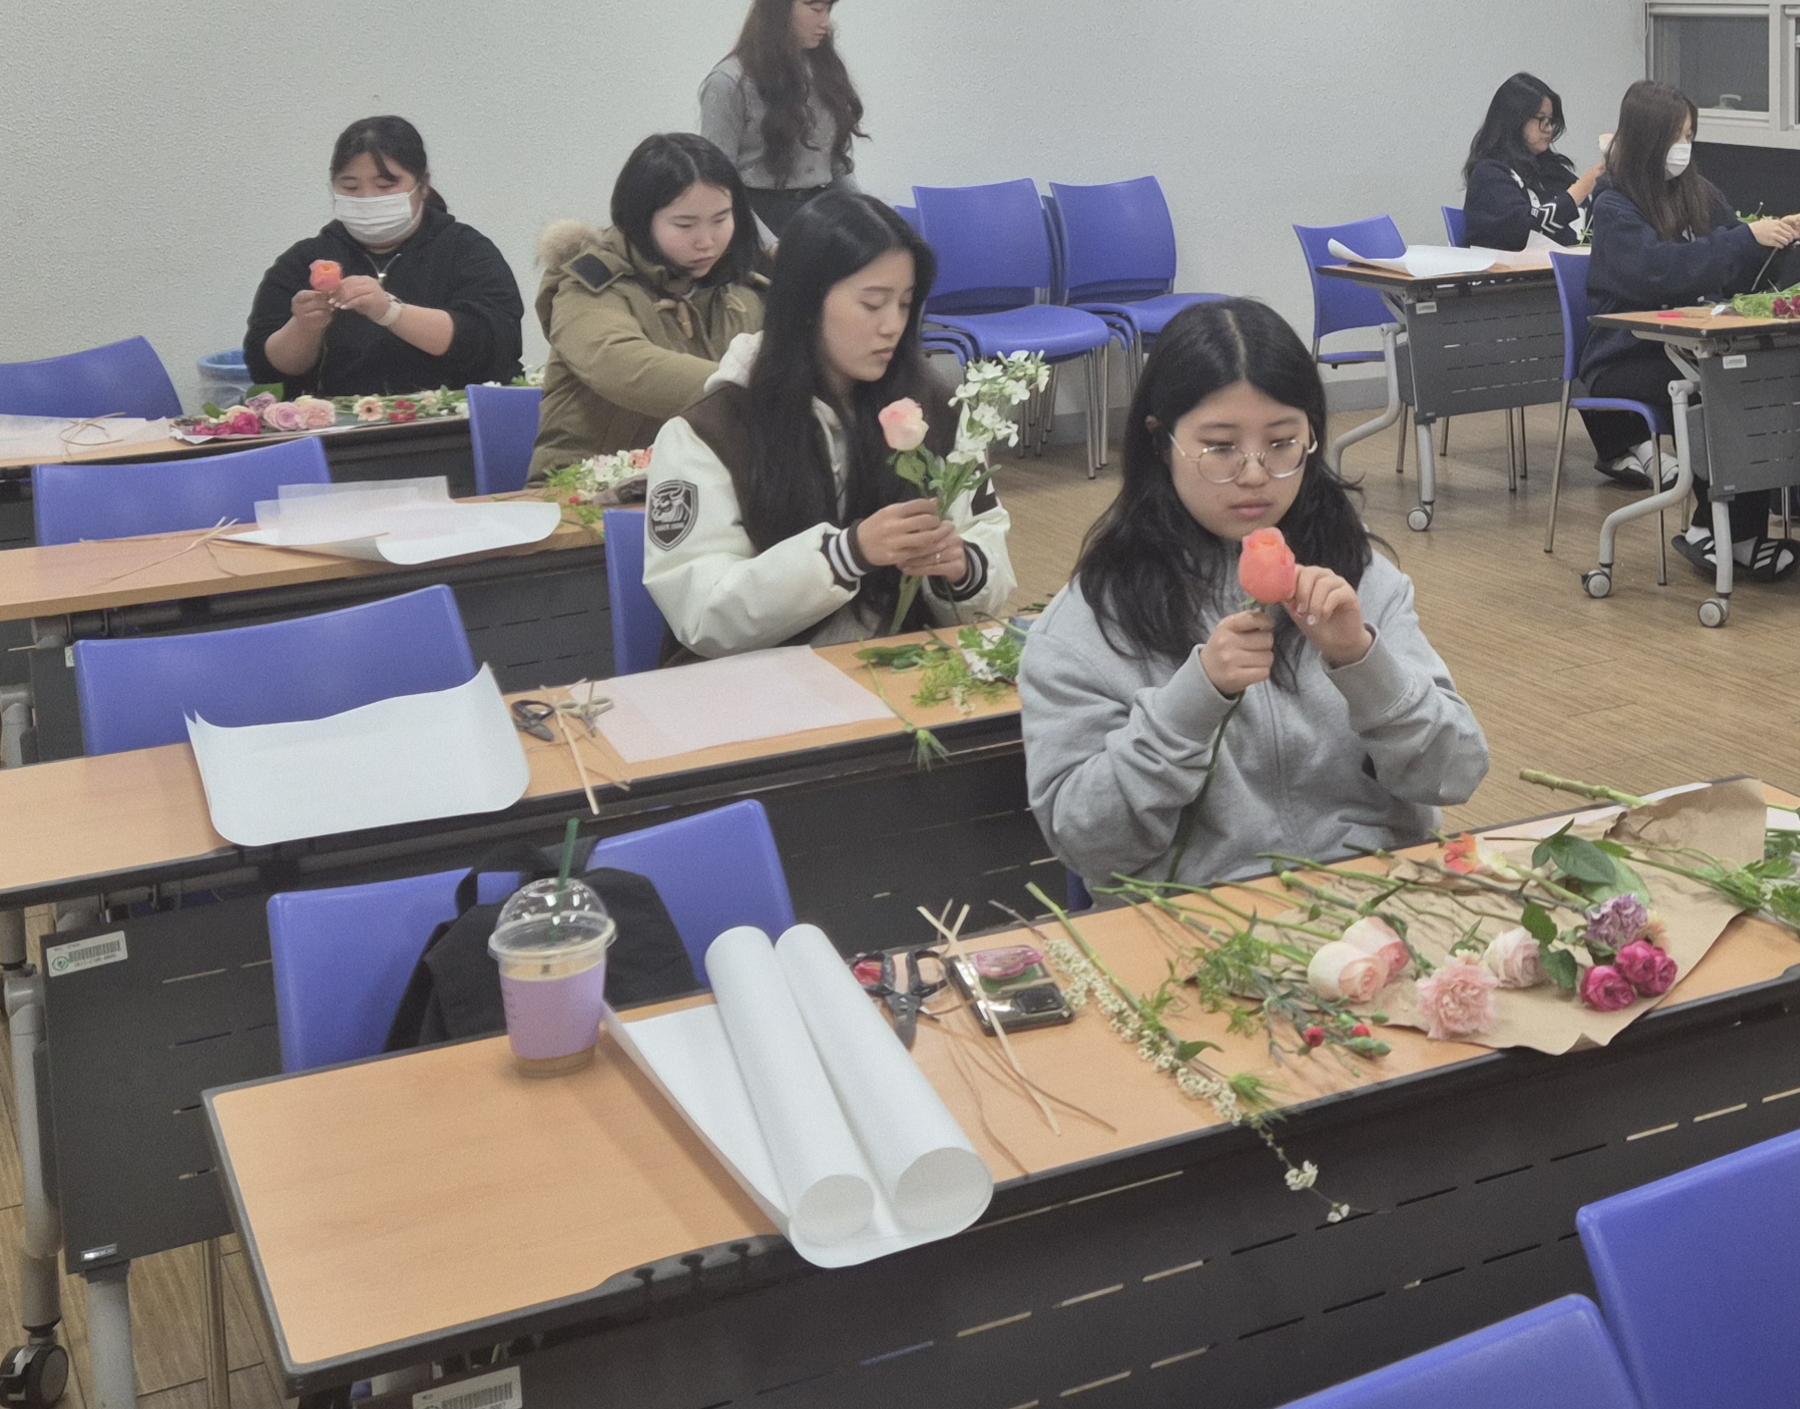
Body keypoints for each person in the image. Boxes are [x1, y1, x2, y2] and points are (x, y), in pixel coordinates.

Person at [1019, 299, 1487, 889]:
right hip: (1199, 915)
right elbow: (1085, 843)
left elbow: (1455, 775)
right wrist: (1193, 700)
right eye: (1220, 448)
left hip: (1376, 895)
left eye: (1282, 443)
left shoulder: (1360, 579)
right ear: (1161, 442)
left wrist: (1362, 661)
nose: (1255, 474)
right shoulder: (1092, 620)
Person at [639, 189, 1015, 661]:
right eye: (872, 304)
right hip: (762, 690)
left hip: (901, 675)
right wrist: (845, 555)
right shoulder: (710, 431)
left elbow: (986, 549)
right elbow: (701, 613)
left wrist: (962, 568)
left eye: (905, 304)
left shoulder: (932, 409)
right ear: (806, 303)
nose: (893, 326)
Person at [1581, 80, 1800, 579]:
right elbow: (1657, 271)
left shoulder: (1699, 192)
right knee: (1727, 391)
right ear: (1648, 138)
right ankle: (1719, 531)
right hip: (1627, 356)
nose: (1684, 146)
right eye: (1676, 136)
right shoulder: (1614, 203)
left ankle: (1732, 533)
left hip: (1692, 348)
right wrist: (1744, 241)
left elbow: (1735, 268)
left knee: (1749, 382)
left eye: (1689, 135)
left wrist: (1774, 244)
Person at [531, 132, 772, 469]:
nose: (707, 241)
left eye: (721, 219)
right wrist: (751, 386)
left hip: (707, 480)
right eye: (685, 225)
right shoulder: (588, 289)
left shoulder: (744, 288)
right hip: (584, 483)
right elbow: (624, 366)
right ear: (640, 218)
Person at [246, 116, 524, 397]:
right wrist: (304, 327)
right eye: (350, 187)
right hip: (338, 421)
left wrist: (390, 312)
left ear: (423, 185)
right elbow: (266, 369)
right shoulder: (304, 260)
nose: (368, 199)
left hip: (453, 420)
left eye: (385, 185)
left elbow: (495, 343)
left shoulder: (466, 250)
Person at [698, 0, 864, 238]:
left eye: (828, 10)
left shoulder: (824, 70)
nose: (825, 22)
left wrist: (870, 221)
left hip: (821, 213)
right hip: (758, 217)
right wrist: (766, 244)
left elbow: (837, 165)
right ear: (780, 9)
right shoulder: (730, 81)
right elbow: (718, 181)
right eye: (816, 9)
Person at [1459, 72, 1601, 251]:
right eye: (1541, 119)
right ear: (1515, 119)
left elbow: (1588, 225)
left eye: (1551, 120)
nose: (1549, 129)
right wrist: (1579, 191)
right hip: (1512, 268)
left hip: (1562, 265)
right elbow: (1525, 231)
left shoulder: (1551, 170)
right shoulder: (1489, 174)